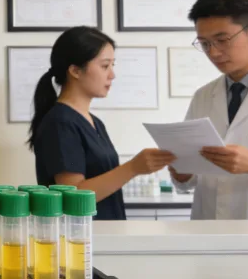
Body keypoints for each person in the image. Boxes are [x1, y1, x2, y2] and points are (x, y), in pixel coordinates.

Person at [29, 26, 176, 220]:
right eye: (105, 66)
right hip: (80, 233)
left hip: (107, 231)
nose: (112, 75)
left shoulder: (94, 122)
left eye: (112, 65)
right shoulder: (60, 123)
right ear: (75, 70)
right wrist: (133, 167)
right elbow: (73, 196)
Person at [173, 0, 248, 219]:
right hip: (209, 229)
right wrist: (181, 172)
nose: (213, 53)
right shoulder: (204, 96)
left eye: (222, 40)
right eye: (205, 43)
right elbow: (191, 176)